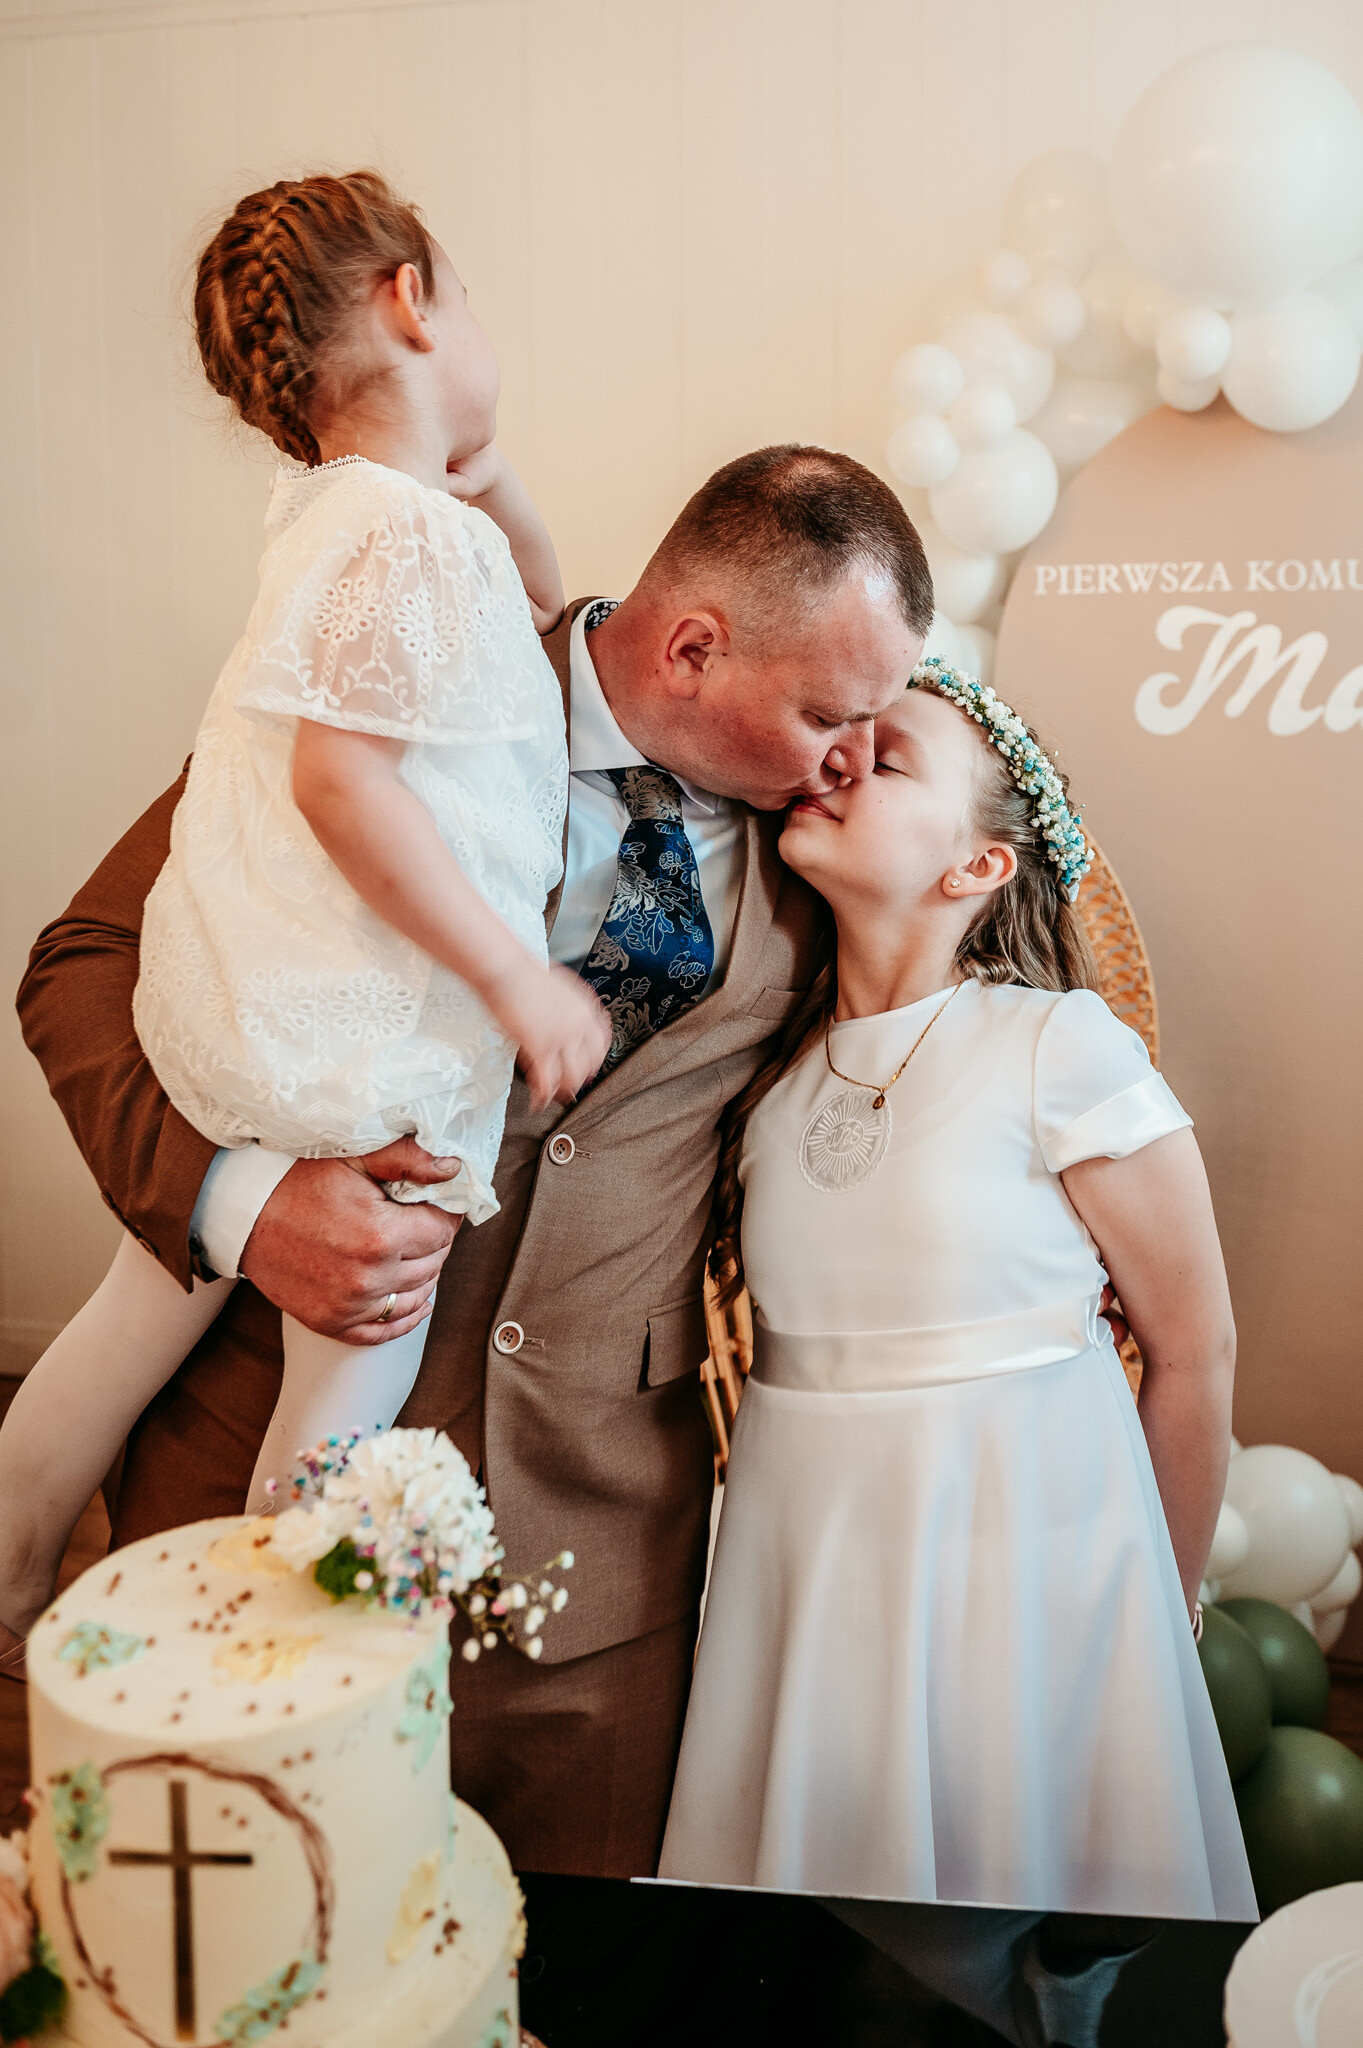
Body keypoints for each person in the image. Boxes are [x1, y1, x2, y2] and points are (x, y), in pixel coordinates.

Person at [12, 441, 931, 1881]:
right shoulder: (398, 682)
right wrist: (242, 1204)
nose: (853, 756)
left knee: (575, 1969)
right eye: (826, 711)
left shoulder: (837, 845)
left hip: (595, 1577)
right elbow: (86, 959)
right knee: (239, 1942)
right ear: (693, 648)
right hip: (245, 1476)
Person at [0, 170, 614, 1664]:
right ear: (413, 300)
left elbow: (541, 610)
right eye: (466, 297)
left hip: (239, 1020)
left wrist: (494, 478)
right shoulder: (406, 541)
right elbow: (343, 784)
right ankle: (273, 1653)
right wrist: (513, 977)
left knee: (131, 1317)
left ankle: (10, 1576)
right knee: (352, 1371)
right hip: (356, 1047)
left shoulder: (349, 517)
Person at [658, 659, 1258, 1921]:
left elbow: (1194, 1350)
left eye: (887, 758)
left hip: (1025, 1583)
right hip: (812, 1574)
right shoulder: (766, 1089)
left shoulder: (1058, 1047)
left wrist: (1156, 1622)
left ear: (976, 865)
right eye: (840, 741)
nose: (840, 759)